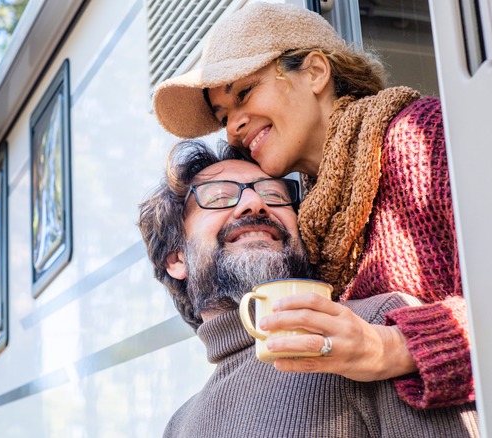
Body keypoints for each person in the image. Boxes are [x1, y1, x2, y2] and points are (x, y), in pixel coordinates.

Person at [151, 2, 470, 409]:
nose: (231, 128)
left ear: (316, 72)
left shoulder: (422, 138)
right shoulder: (310, 225)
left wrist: (387, 348)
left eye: (244, 93)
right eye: (223, 115)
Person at [137, 139, 478, 437]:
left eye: (274, 194)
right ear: (175, 259)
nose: (255, 204)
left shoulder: (377, 327)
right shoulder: (178, 426)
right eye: (220, 196)